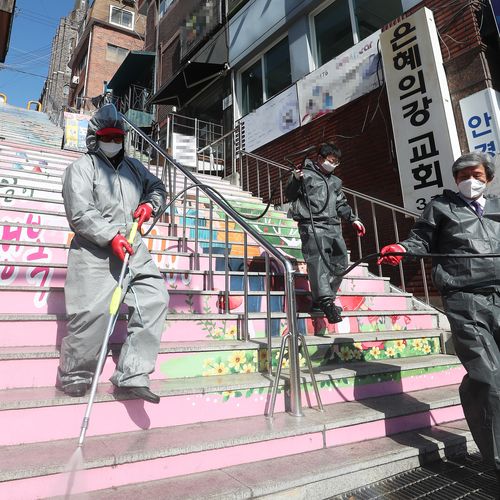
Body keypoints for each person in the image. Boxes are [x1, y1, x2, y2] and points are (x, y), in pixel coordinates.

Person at [378, 151, 500, 485]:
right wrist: (403, 249)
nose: (468, 180)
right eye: (461, 175)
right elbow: (420, 239)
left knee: (489, 379)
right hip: (465, 298)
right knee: (488, 376)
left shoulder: (497, 207)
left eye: (475, 174)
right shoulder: (442, 207)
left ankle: (474, 390)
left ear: (487, 177)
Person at [57, 103, 169, 404]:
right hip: (95, 247)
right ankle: (75, 374)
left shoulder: (135, 168)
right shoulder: (81, 168)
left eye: (118, 137)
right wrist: (110, 236)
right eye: (108, 137)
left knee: (154, 297)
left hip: (133, 245)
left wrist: (150, 205)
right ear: (95, 138)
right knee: (91, 312)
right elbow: (79, 212)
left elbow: (158, 187)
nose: (114, 142)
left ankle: (133, 373)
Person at [285, 143, 365, 325]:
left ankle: (320, 300)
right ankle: (327, 302)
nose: (333, 165)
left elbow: (341, 203)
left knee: (340, 263)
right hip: (312, 225)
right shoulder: (305, 174)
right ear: (320, 158)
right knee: (318, 263)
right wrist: (296, 179)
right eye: (331, 161)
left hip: (333, 226)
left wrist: (353, 219)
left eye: (336, 162)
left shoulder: (335, 182)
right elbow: (289, 195)